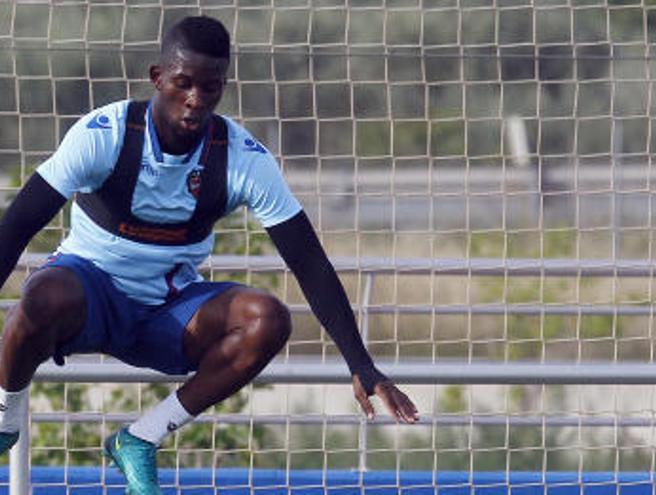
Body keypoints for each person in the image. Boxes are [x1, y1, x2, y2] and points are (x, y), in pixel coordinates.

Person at [0, 15, 418, 494]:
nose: (196, 100)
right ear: (158, 78)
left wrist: (360, 364)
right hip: (87, 297)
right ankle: (5, 421)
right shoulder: (105, 134)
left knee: (268, 317)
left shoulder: (241, 157)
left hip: (165, 313)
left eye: (210, 88)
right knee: (42, 296)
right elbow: (14, 229)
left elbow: (308, 260)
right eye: (183, 84)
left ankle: (140, 439)